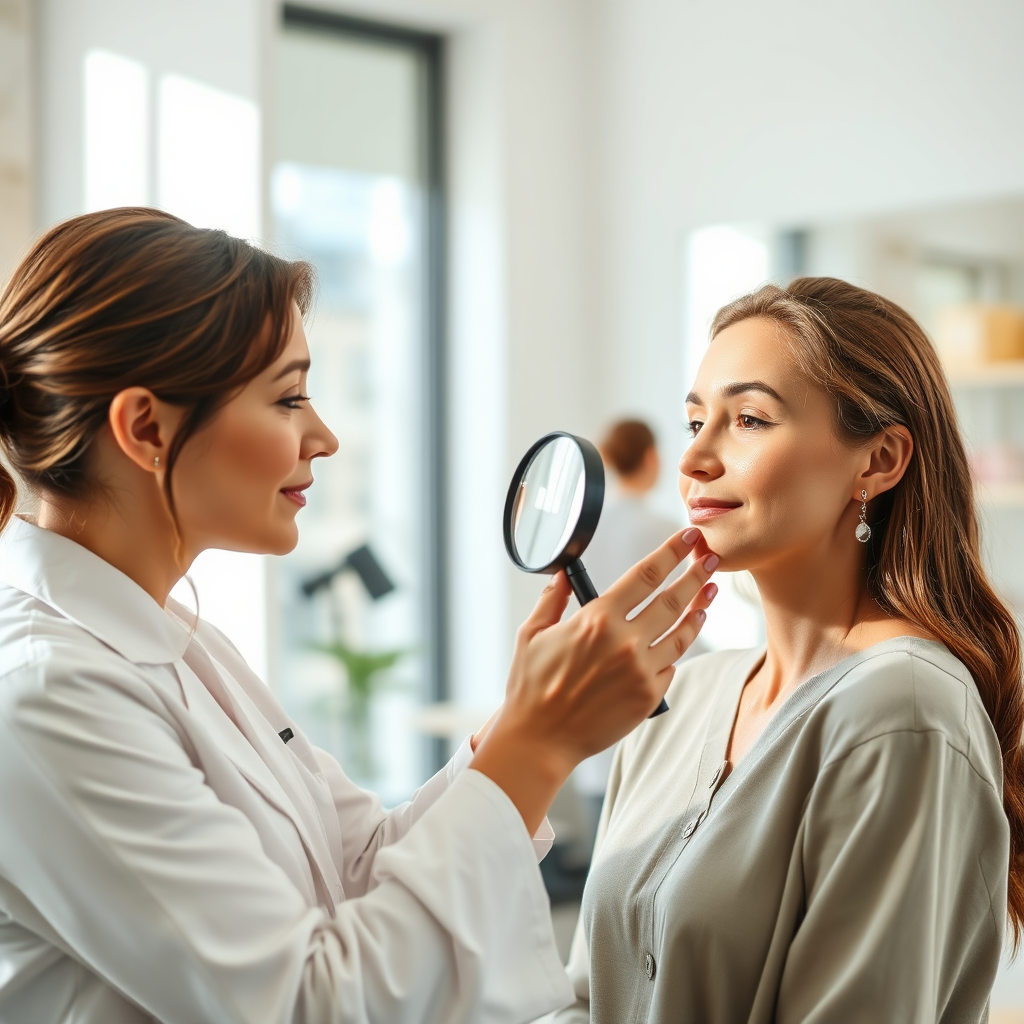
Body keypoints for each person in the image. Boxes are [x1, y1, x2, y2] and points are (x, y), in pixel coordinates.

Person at [0, 209, 720, 1024]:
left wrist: (521, 722)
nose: (326, 437)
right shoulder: (42, 691)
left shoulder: (180, 640)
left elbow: (362, 864)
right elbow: (309, 1004)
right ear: (146, 428)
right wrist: (541, 742)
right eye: (289, 398)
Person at [547, 277, 1021, 1023]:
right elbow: (586, 998)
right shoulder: (679, 700)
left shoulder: (905, 713)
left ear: (879, 462)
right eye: (696, 419)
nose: (696, 458)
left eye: (750, 420)